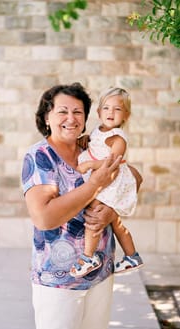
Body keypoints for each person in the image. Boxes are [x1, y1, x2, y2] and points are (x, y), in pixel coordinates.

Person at [21, 82, 141, 329]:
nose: (71, 118)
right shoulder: (40, 157)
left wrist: (111, 208)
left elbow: (133, 176)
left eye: (78, 112)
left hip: (100, 273)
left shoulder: (91, 148)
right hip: (59, 280)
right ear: (47, 117)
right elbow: (44, 218)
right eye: (63, 111)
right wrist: (95, 185)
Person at [69, 87, 143, 278]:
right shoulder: (99, 130)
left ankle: (88, 257)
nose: (111, 113)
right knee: (116, 222)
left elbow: (114, 161)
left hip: (113, 179)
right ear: (98, 111)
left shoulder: (117, 138)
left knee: (94, 215)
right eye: (106, 108)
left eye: (117, 109)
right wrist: (86, 139)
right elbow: (96, 143)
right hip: (104, 178)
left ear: (126, 115)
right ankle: (132, 256)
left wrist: (90, 164)